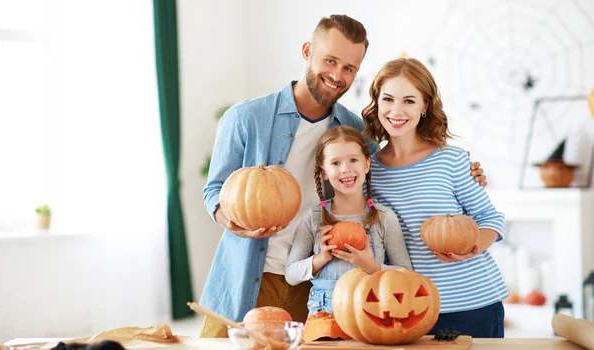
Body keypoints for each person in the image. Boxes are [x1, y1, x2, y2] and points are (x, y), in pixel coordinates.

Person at [199, 15, 486, 338]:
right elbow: (215, 191)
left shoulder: (357, 131)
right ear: (307, 51)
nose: (337, 75)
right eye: (330, 60)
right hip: (246, 275)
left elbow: (400, 161)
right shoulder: (245, 118)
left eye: (349, 68)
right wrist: (233, 220)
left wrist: (464, 169)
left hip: (317, 286)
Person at [362, 57, 508, 338]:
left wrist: (470, 247)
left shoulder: (450, 160)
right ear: (377, 102)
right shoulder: (368, 170)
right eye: (388, 99)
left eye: (409, 101)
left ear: (425, 106)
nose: (396, 110)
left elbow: (491, 218)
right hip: (407, 308)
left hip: (473, 304)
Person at [285, 126, 412, 317]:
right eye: (335, 163)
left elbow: (407, 275)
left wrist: (372, 267)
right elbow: (291, 275)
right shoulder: (314, 217)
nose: (346, 169)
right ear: (324, 172)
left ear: (366, 165)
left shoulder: (383, 217)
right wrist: (321, 258)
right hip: (324, 320)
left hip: (371, 317)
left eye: (353, 160)